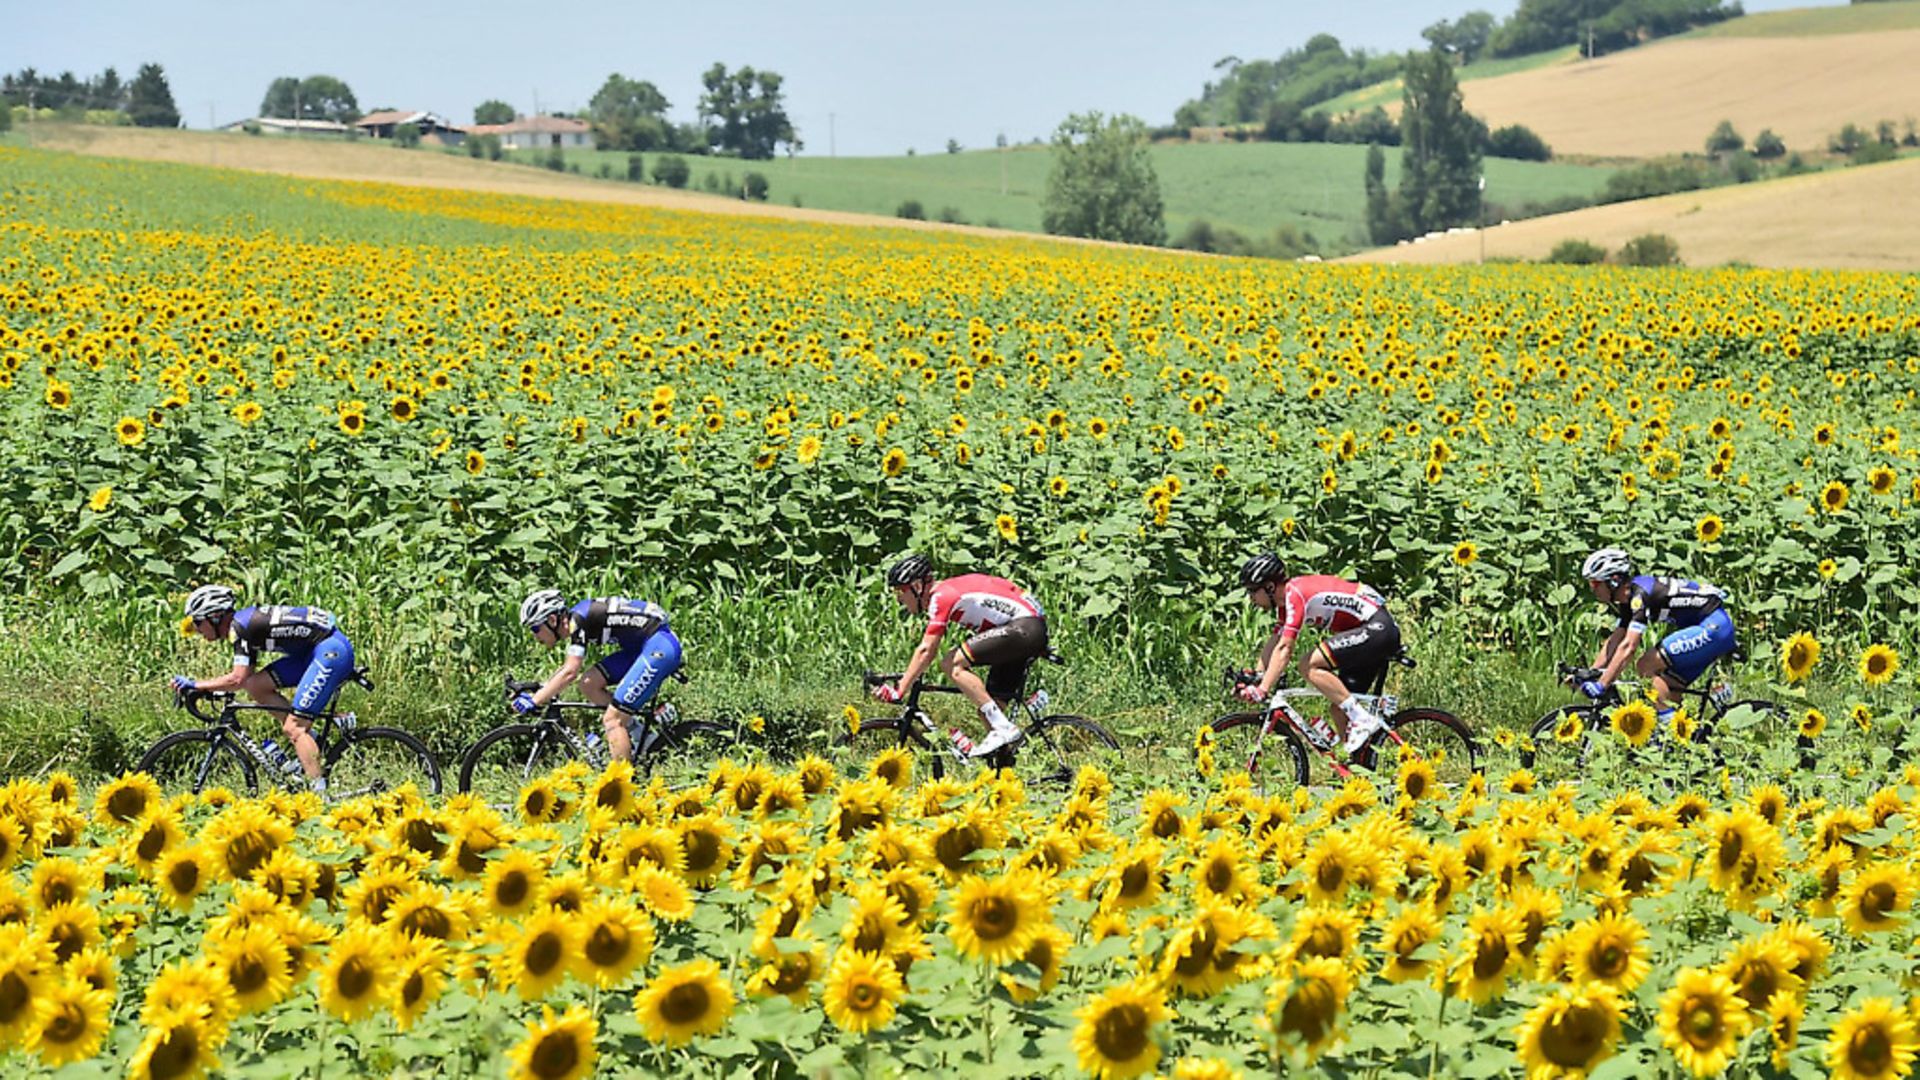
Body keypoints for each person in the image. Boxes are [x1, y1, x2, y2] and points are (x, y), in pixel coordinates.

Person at [171, 585, 354, 792]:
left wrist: (196, 684)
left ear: (214, 616)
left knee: (294, 727)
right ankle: (310, 742)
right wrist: (210, 688)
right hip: (313, 652)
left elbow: (236, 679)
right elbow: (245, 679)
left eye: (197, 622)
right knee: (255, 686)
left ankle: (320, 797)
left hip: (331, 652)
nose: (196, 630)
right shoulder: (243, 623)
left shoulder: (240, 628)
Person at [875, 553, 1048, 758]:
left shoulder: (941, 596)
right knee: (989, 711)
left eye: (900, 590)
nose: (898, 597)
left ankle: (1005, 729)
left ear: (917, 586)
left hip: (1024, 628)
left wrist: (900, 689)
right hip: (1027, 628)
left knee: (951, 663)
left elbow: (926, 650)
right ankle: (1003, 771)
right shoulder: (949, 590)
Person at [1235, 552, 1399, 755]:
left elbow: (1285, 649)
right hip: (1369, 632)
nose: (1251, 598)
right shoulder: (1285, 604)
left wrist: (1263, 689)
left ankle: (1362, 719)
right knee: (1339, 708)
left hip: (1377, 628)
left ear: (1269, 587)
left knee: (1308, 665)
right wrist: (1256, 676)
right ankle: (1357, 772)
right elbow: (1275, 641)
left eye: (1252, 591)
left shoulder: (1294, 594)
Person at [515, 589, 682, 762]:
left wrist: (535, 700)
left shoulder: (578, 621)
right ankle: (643, 736)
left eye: (535, 628)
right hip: (641, 647)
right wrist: (543, 689)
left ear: (552, 620)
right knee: (589, 684)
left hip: (659, 647)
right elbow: (567, 669)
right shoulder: (579, 618)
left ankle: (623, 784)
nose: (534, 635)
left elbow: (571, 672)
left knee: (612, 720)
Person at [1577, 548, 1735, 719]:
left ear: (1613, 581)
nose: (1591, 589)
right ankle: (1683, 741)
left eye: (1594, 583)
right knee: (1667, 689)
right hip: (1708, 626)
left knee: (1645, 665)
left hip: (1714, 626)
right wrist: (1592, 673)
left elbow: (1629, 646)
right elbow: (1616, 639)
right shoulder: (1627, 598)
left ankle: (1669, 728)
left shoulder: (1640, 596)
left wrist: (1603, 684)